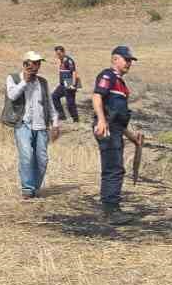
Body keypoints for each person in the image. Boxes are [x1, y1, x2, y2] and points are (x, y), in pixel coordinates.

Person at [91, 45, 140, 222]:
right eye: (126, 60)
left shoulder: (121, 83)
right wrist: (102, 121)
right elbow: (97, 97)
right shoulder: (108, 76)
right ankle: (110, 211)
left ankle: (111, 208)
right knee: (113, 168)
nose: (129, 63)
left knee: (114, 168)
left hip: (115, 129)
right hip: (107, 129)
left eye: (130, 61)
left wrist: (132, 137)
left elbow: (118, 118)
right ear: (114, 59)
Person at [4, 51, 61, 198]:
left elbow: (49, 103)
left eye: (38, 64)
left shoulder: (42, 82)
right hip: (23, 124)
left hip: (41, 125)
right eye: (33, 63)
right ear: (25, 64)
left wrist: (55, 123)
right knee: (27, 156)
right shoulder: (13, 78)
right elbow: (12, 95)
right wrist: (25, 81)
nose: (36, 67)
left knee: (42, 159)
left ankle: (35, 187)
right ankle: (28, 189)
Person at [52, 45, 81, 123]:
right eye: (57, 54)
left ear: (63, 52)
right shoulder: (60, 61)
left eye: (59, 53)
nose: (58, 55)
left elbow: (74, 73)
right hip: (62, 84)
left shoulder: (69, 60)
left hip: (69, 83)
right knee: (54, 96)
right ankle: (62, 116)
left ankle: (76, 120)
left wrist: (73, 85)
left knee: (70, 103)